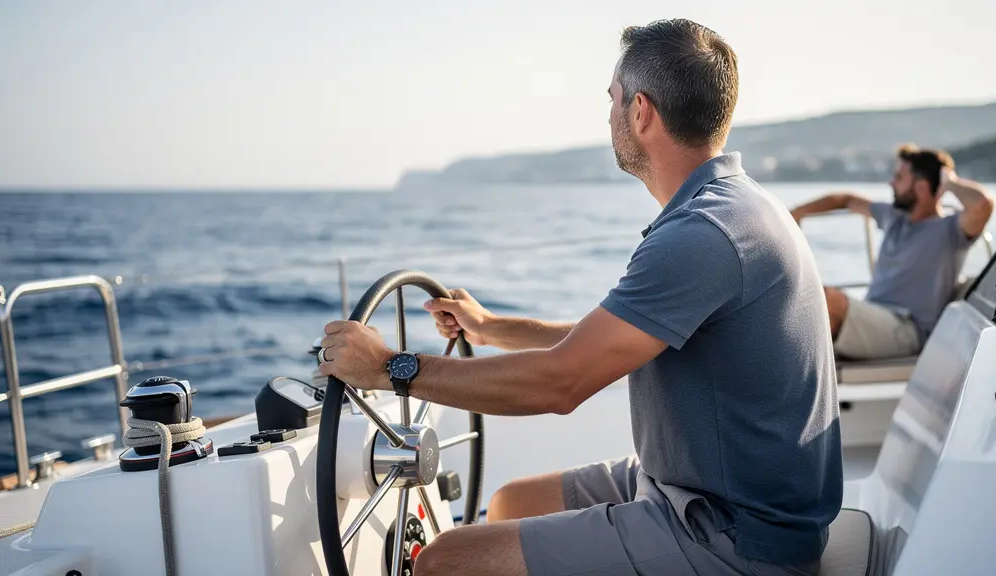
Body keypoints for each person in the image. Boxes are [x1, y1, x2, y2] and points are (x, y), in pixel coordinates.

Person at [317, 19, 841, 576]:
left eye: (612, 99)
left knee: (444, 561)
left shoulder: (703, 234)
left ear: (641, 112)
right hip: (699, 487)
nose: (608, 115)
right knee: (510, 503)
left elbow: (560, 382)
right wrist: (490, 328)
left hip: (734, 535)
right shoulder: (733, 206)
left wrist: (387, 367)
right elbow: (609, 340)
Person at [790, 146, 994, 360]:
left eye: (899, 177)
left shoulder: (949, 230)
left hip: (906, 329)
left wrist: (949, 181)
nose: (891, 183)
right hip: (873, 316)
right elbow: (845, 199)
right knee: (805, 296)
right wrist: (791, 216)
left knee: (823, 299)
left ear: (922, 188)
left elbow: (982, 205)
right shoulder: (894, 217)